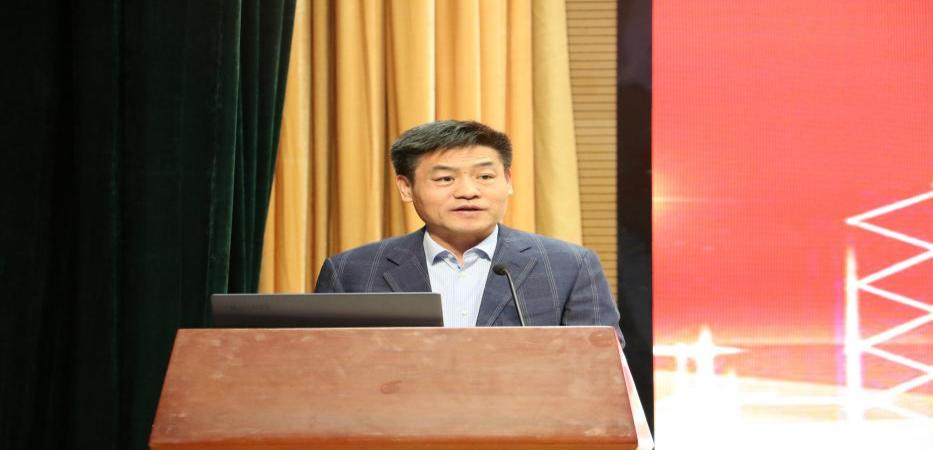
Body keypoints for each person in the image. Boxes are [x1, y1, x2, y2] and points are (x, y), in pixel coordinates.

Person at [315, 120, 623, 343]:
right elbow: (324, 371)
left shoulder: (569, 267)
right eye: (445, 179)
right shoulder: (351, 272)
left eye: (485, 176)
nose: (468, 192)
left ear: (508, 181)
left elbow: (600, 369)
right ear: (406, 187)